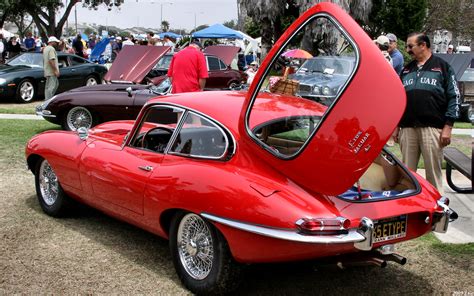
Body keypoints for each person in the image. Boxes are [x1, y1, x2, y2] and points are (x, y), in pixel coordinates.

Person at [393, 33, 460, 193]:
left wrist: (448, 126)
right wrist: (396, 126)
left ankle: (438, 211)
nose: (407, 50)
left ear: (423, 45)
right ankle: (410, 209)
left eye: (411, 46)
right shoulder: (407, 69)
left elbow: (454, 96)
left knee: (433, 175)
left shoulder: (443, 67)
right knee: (408, 176)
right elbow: (398, 100)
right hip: (408, 129)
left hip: (432, 129)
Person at [43, 36, 60, 100]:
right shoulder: (51, 49)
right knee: (52, 87)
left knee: (48, 87)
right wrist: (55, 70)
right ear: (52, 42)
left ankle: (47, 99)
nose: (56, 43)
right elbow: (51, 60)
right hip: (51, 71)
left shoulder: (45, 49)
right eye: (55, 42)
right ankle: (49, 100)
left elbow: (45, 60)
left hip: (47, 71)